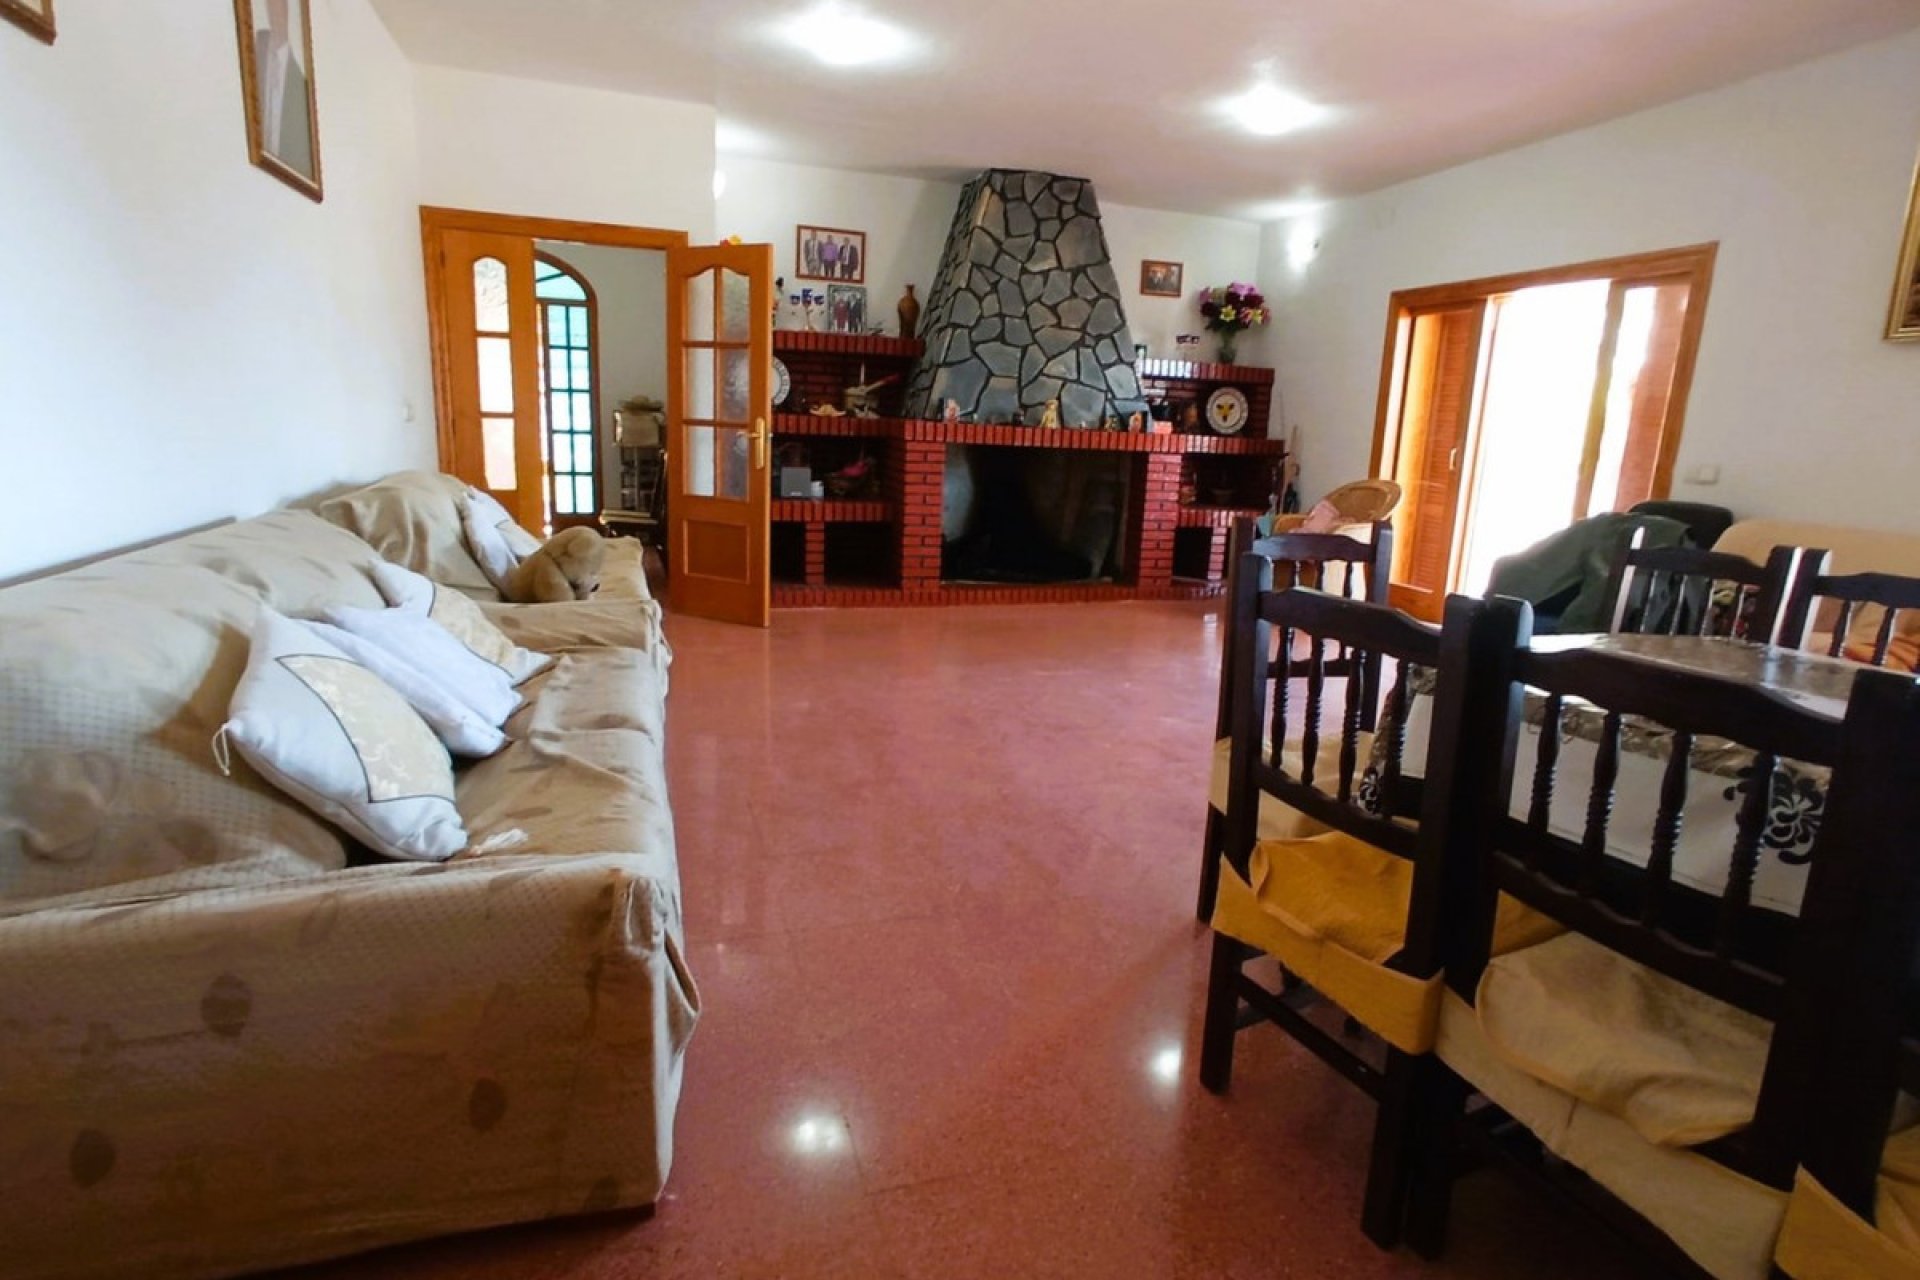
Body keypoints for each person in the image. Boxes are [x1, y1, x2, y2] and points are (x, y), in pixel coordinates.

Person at [254, 0, 313, 179]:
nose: (274, 9)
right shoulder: (256, 48)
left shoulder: (300, 85)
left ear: (287, 8)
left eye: (279, 3)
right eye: (271, 3)